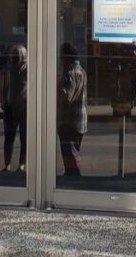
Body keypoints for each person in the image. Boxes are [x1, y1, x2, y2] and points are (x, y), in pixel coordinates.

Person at [57, 43, 88, 177]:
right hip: (81, 119)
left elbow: (66, 96)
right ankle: (71, 174)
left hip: (69, 119)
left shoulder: (70, 73)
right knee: (75, 150)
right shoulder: (82, 71)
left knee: (70, 152)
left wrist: (56, 85)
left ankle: (74, 176)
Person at [0, 44, 28, 172]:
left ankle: (22, 164)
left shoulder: (28, 69)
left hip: (25, 107)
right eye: (13, 56)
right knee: (8, 138)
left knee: (24, 137)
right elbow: (2, 87)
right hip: (10, 107)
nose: (15, 59)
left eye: (18, 56)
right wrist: (3, 102)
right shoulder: (7, 69)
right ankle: (7, 164)